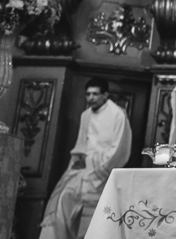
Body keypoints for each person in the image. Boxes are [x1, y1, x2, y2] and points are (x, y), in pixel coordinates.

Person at [39, 78, 132, 239]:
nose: (90, 98)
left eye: (95, 94)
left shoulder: (118, 115)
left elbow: (119, 149)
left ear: (105, 95)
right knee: (60, 202)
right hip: (81, 171)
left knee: (96, 217)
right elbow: (81, 144)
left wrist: (91, 164)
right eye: (88, 94)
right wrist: (77, 161)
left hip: (102, 174)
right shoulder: (86, 115)